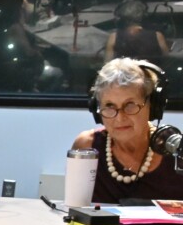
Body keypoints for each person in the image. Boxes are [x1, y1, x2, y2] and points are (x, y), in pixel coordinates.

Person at [72, 57, 183, 203]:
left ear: (153, 106)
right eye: (109, 106)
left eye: (130, 104)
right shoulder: (86, 147)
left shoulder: (176, 149)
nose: (120, 118)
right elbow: (74, 210)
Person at [104, 0, 169, 64]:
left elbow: (107, 65)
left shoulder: (114, 37)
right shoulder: (158, 36)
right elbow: (167, 61)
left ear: (120, 19)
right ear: (144, 16)